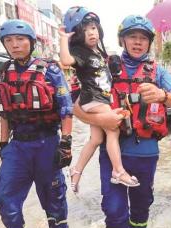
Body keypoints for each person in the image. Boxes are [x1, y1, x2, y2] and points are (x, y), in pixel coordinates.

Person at [73, 15, 171, 228]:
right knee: (113, 210)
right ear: (122, 39)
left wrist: (162, 94)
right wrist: (101, 121)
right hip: (112, 154)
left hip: (146, 152)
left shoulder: (159, 71)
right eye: (132, 36)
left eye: (143, 38)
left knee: (142, 206)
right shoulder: (104, 66)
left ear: (149, 43)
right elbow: (77, 107)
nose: (137, 42)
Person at [0, 19, 73, 228]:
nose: (14, 45)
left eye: (20, 39)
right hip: (18, 145)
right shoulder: (3, 72)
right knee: (4, 197)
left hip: (47, 142)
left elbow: (66, 109)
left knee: (53, 194)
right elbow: (2, 112)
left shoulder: (51, 70)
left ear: (31, 42)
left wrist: (66, 143)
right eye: (9, 41)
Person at [59, 7, 137, 190]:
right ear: (78, 35)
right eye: (85, 30)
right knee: (113, 131)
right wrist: (63, 39)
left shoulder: (99, 53)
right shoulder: (80, 52)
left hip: (101, 98)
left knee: (96, 139)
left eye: (93, 28)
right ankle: (118, 171)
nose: (91, 33)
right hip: (92, 98)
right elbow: (65, 60)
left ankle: (76, 171)